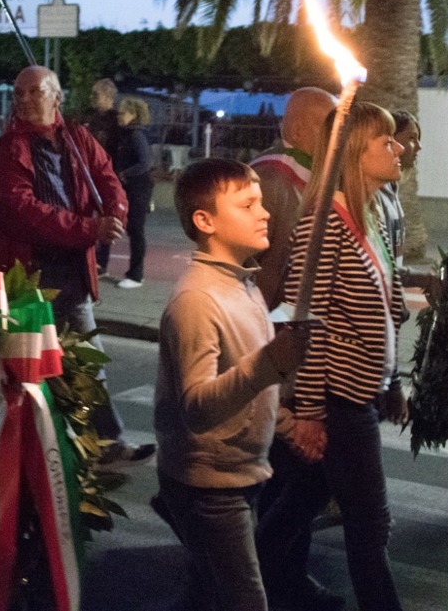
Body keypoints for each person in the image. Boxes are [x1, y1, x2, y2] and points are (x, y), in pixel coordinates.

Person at [153, 158, 309, 611]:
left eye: (260, 202)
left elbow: (252, 386)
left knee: (207, 592)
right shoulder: (196, 300)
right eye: (247, 205)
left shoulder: (246, 286)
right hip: (209, 483)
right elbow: (197, 407)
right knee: (244, 601)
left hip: (242, 471)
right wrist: (267, 365)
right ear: (205, 221)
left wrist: (284, 422)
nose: (265, 213)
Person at [0, 65, 153, 464]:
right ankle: (25, 455)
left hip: (71, 270)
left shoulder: (77, 138)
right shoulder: (9, 149)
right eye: (18, 93)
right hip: (26, 274)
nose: (23, 100)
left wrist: (116, 212)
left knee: (88, 360)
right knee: (24, 368)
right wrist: (88, 228)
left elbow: (108, 177)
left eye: (33, 92)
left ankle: (107, 443)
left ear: (55, 98)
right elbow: (21, 211)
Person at [285, 102, 408, 611]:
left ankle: (228, 580)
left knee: (296, 506)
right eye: (387, 142)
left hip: (360, 390)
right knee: (369, 526)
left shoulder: (370, 212)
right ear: (356, 152)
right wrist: (310, 411)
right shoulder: (323, 222)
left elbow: (384, 304)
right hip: (337, 399)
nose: (399, 148)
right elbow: (303, 323)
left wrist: (393, 380)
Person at [250, 85, 344, 610]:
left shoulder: (312, 178)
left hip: (298, 349)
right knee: (292, 476)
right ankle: (267, 577)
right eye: (333, 120)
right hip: (279, 351)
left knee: (294, 476)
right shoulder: (276, 180)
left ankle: (281, 574)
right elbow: (266, 277)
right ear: (303, 128)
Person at [250, 87, 337, 311]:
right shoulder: (267, 180)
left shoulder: (315, 175)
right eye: (330, 127)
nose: (339, 136)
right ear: (297, 131)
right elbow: (243, 261)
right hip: (268, 319)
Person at [376, 110, 440, 304]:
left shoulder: (391, 189)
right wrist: (424, 279)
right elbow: (380, 265)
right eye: (411, 138)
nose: (418, 147)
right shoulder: (374, 197)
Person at [109, 96, 155, 289]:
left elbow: (145, 162)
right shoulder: (128, 134)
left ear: (133, 114)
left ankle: (136, 275)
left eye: (123, 112)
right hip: (134, 187)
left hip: (138, 188)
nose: (119, 115)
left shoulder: (136, 135)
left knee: (136, 230)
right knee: (133, 229)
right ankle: (134, 273)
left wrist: (124, 174)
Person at [88, 77, 123, 279]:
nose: (93, 98)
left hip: (106, 174)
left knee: (106, 215)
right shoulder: (90, 117)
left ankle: (102, 261)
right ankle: (89, 256)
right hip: (87, 172)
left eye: (97, 94)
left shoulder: (116, 122)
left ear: (109, 96)